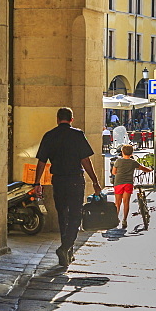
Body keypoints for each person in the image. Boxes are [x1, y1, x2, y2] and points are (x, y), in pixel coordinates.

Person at [33, 107, 102, 267]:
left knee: (62, 216)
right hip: (75, 180)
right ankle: (65, 248)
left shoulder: (49, 136)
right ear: (72, 119)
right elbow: (85, 160)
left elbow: (41, 162)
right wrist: (95, 181)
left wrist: (37, 183)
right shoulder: (77, 135)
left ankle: (67, 251)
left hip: (58, 181)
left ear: (57, 119)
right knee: (75, 216)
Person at [111, 144, 152, 228]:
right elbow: (143, 168)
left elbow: (113, 172)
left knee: (117, 203)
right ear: (132, 153)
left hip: (118, 183)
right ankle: (124, 220)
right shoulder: (133, 162)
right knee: (126, 203)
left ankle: (115, 219)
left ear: (122, 152)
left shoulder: (118, 161)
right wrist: (150, 169)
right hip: (128, 183)